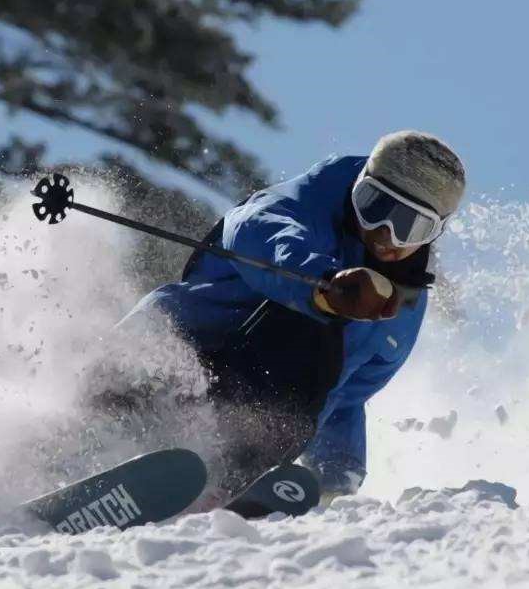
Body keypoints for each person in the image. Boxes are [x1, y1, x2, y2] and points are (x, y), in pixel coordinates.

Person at [118, 130, 466, 503]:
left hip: (245, 427)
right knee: (308, 327)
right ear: (358, 186)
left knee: (321, 361)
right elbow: (261, 231)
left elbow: (343, 396)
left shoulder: (398, 313)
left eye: (411, 226)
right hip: (171, 354)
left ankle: (227, 476)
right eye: (375, 205)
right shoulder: (306, 204)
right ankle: (106, 426)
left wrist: (335, 476)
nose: (385, 233)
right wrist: (323, 285)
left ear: (434, 234)